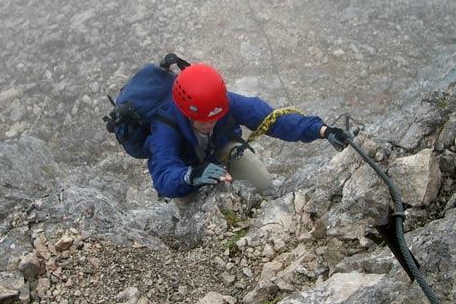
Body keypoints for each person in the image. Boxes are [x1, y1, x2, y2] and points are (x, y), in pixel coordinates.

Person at [144, 63, 348, 203]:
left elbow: (274, 121)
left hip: (222, 151)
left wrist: (323, 130)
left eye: (215, 117)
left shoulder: (226, 102)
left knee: (265, 186)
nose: (210, 124)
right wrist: (191, 176)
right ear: (185, 111)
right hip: (187, 172)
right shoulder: (165, 127)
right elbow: (163, 175)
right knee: (192, 211)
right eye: (203, 120)